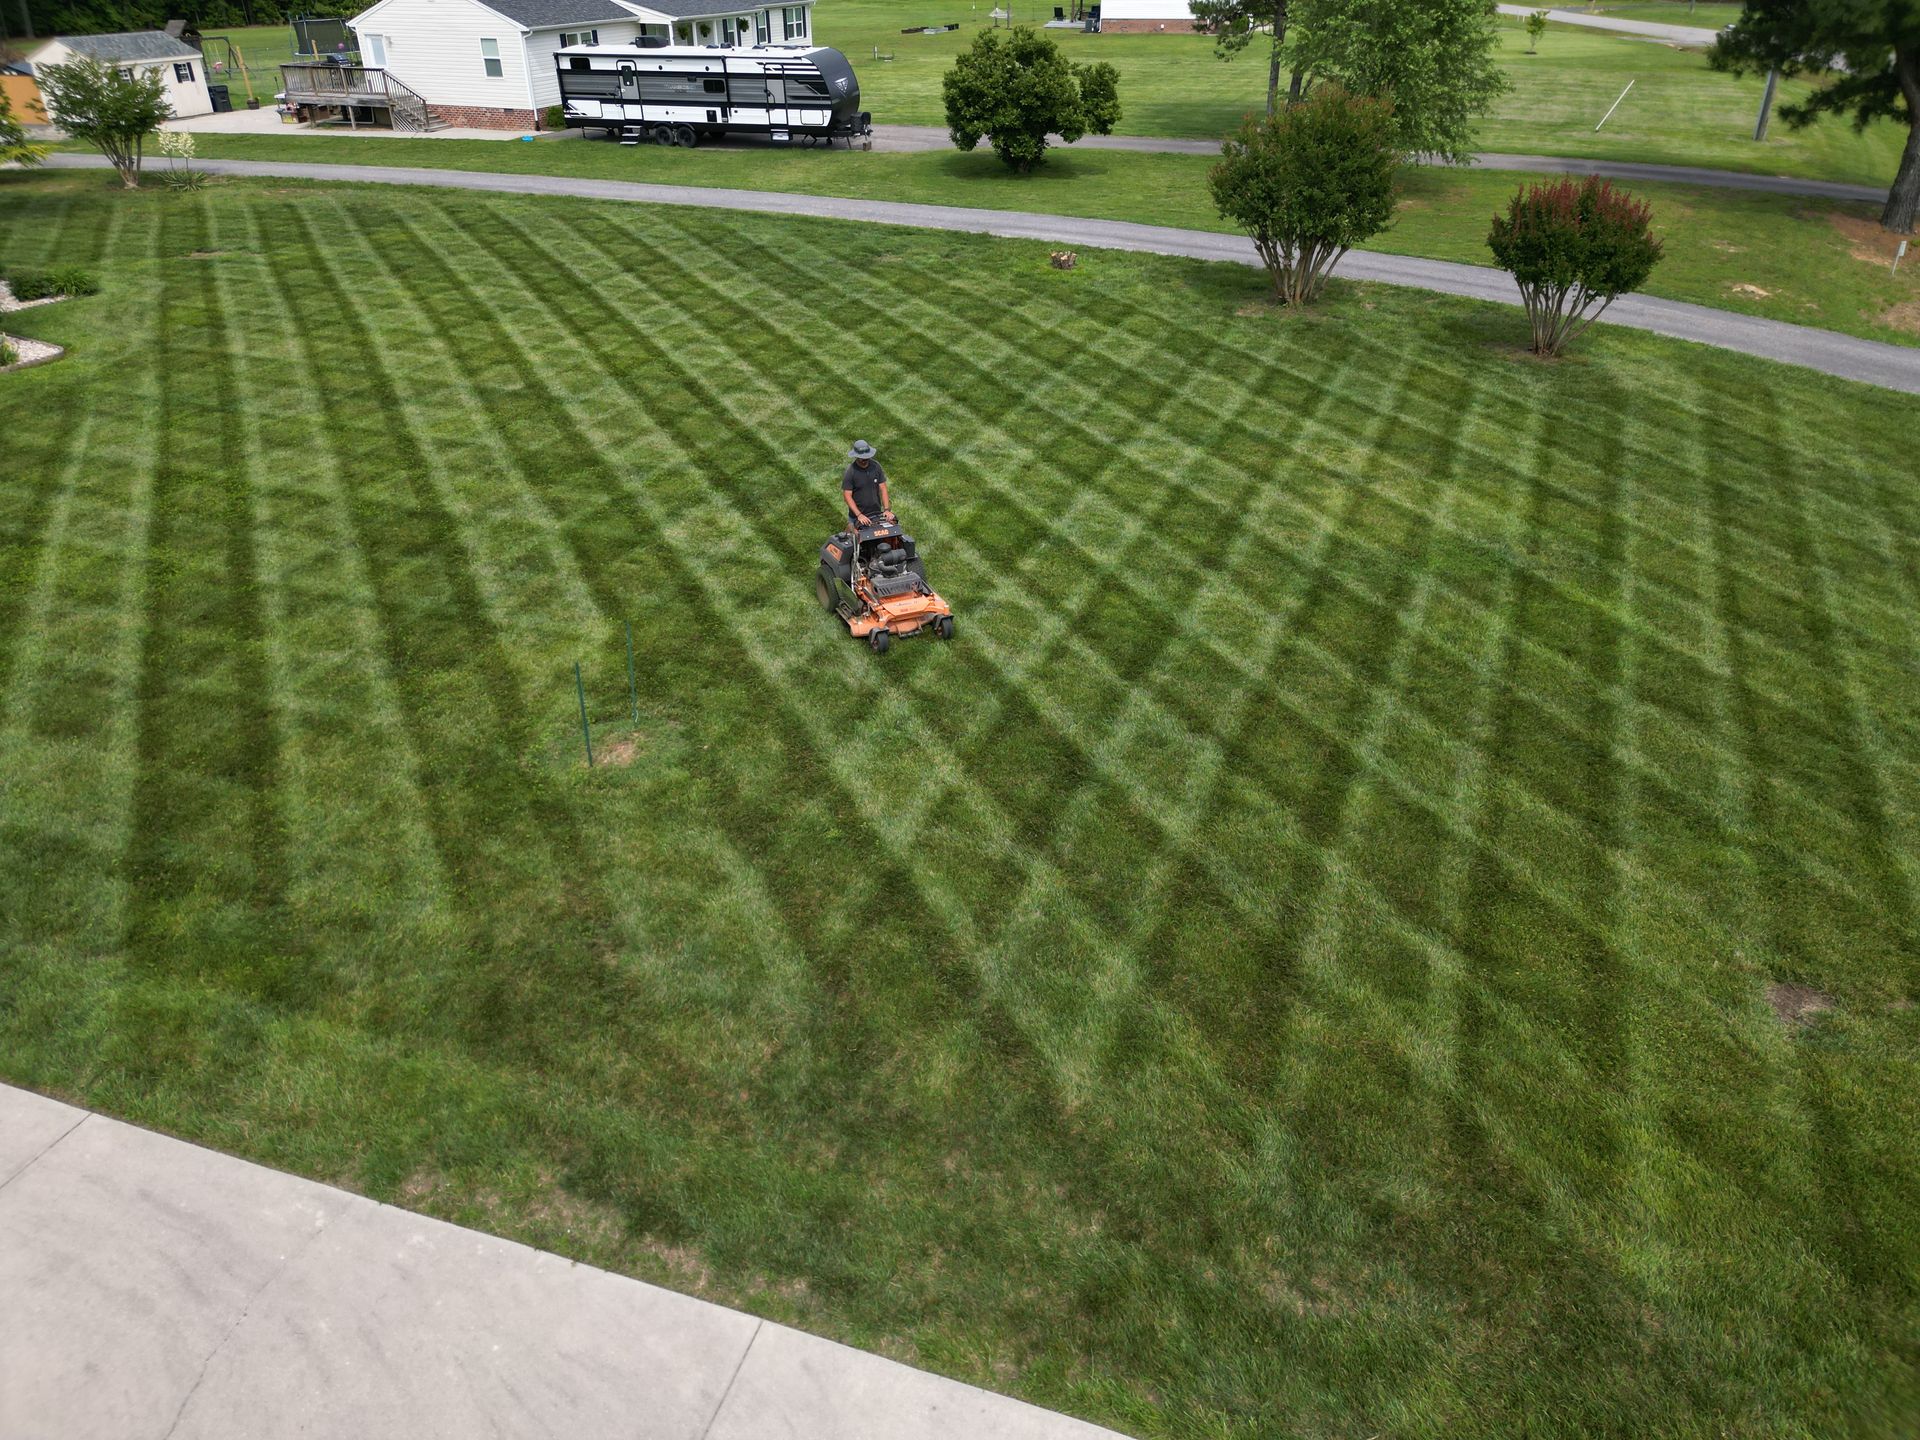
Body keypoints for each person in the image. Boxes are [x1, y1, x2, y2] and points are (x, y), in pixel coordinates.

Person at [842, 440, 893, 530]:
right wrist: (859, 515)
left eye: (866, 458)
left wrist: (886, 510)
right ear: (856, 457)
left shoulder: (876, 467)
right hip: (857, 517)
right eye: (862, 458)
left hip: (876, 514)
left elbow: (883, 489)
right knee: (855, 541)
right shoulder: (850, 471)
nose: (864, 460)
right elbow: (847, 496)